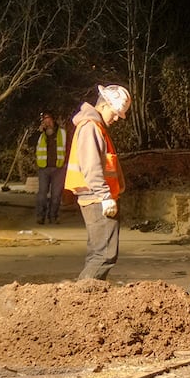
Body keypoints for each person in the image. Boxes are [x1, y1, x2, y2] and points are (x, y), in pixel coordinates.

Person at [65, 84, 130, 281]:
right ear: (103, 105)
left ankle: (84, 300)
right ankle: (81, 300)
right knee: (104, 255)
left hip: (96, 197)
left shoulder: (94, 126)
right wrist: (105, 196)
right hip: (97, 198)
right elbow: (91, 166)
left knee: (98, 254)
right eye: (116, 112)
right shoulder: (91, 127)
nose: (117, 118)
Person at [34, 110, 68, 224]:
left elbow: (68, 147)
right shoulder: (40, 134)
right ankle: (40, 216)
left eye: (49, 120)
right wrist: (38, 132)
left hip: (59, 168)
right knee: (42, 194)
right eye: (45, 120)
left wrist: (66, 164)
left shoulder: (62, 133)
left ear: (53, 120)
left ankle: (53, 216)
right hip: (44, 168)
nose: (47, 123)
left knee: (56, 195)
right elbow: (30, 143)